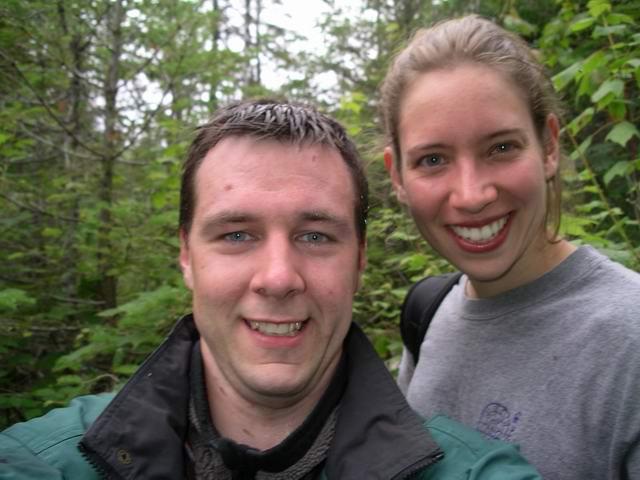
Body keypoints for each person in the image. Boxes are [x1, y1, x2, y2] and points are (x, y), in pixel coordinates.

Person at [0, 99, 542, 479]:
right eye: (237, 235)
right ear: (187, 255)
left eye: (315, 235)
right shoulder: (44, 462)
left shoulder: (473, 472)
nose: (279, 278)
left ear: (358, 260)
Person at [381, 14, 640, 480]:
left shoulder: (628, 339)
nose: (471, 194)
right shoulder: (429, 313)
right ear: (397, 176)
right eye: (433, 159)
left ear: (549, 147)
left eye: (500, 148)